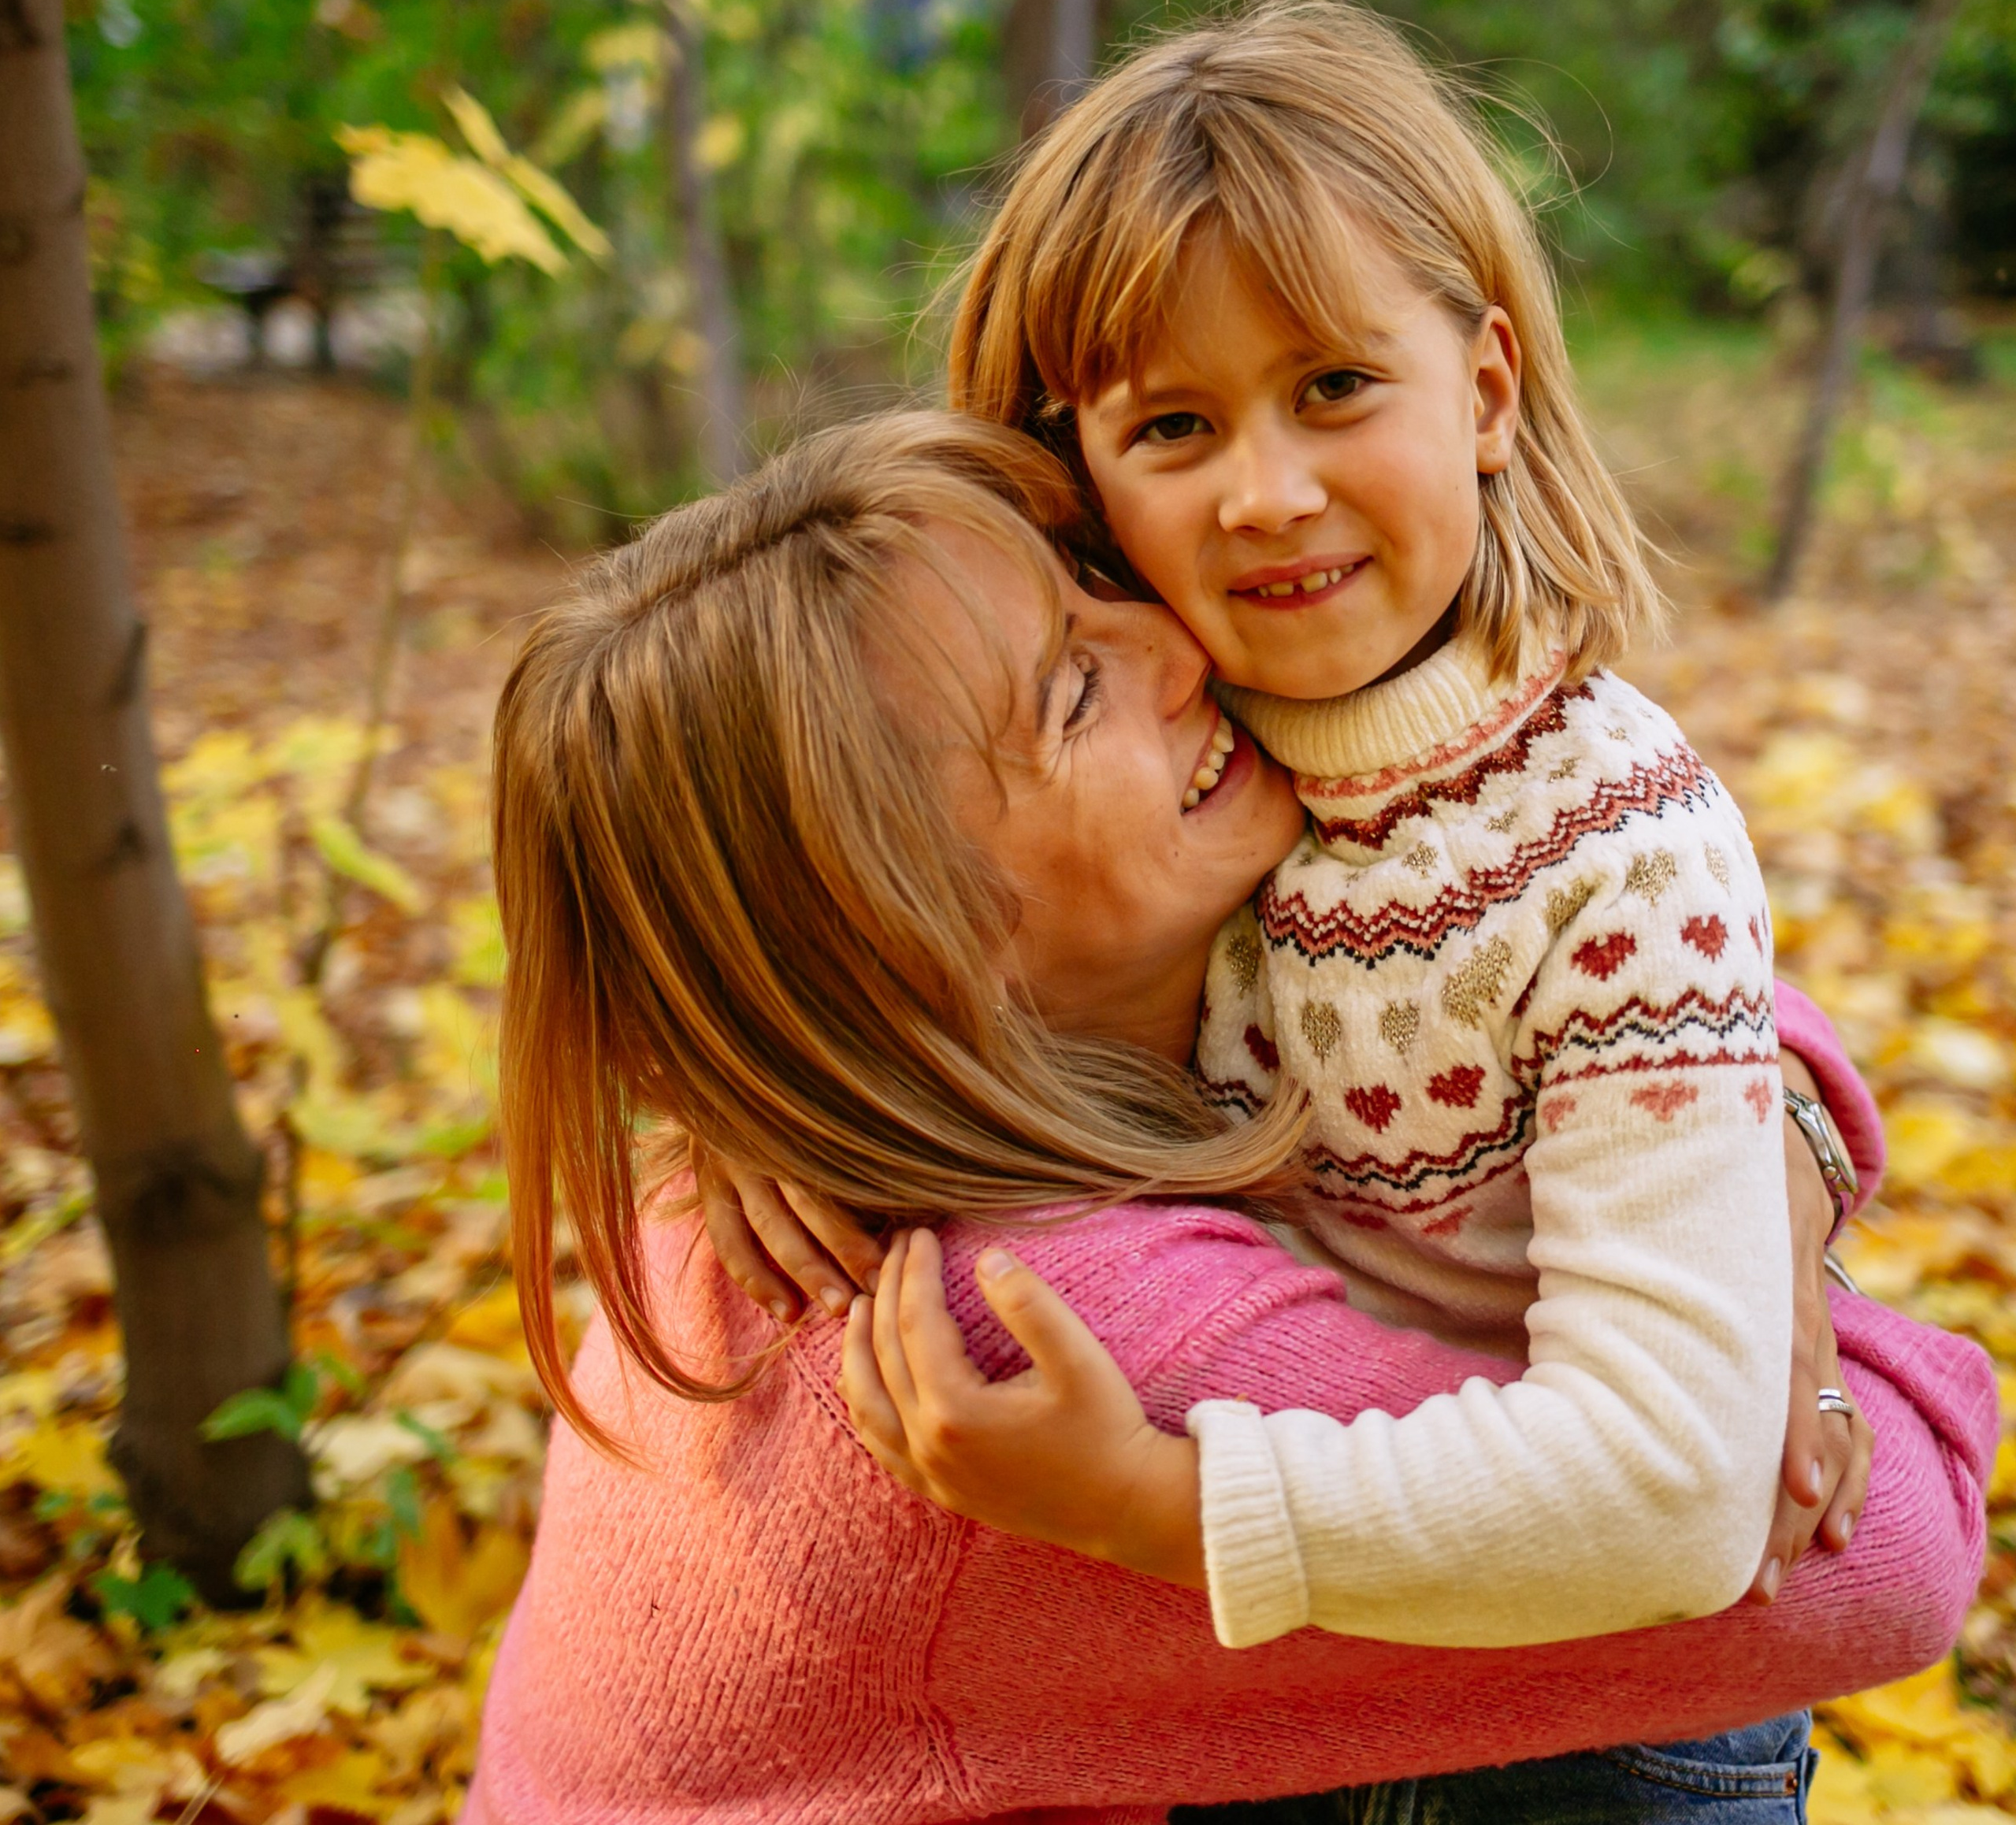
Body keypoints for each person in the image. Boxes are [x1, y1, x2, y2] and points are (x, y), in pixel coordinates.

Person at [469, 410, 1992, 1825]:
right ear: (898, 943)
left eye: (1096, 585)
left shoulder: (829, 1112)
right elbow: (1891, 1554)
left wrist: (1752, 1115)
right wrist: (1730, 1195)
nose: (1181, 644)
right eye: (1074, 688)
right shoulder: (1033, 1337)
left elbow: (1522, 981)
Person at [817, 0, 1847, 1671]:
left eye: (1336, 385)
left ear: (1487, 390)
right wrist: (757, 1133)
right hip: (1268, 1701)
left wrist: (1150, 1502)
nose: (1265, 492)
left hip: (1586, 1729)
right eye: (1172, 424)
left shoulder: (1610, 841)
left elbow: (1675, 1484)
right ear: (1064, 465)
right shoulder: (1158, 766)